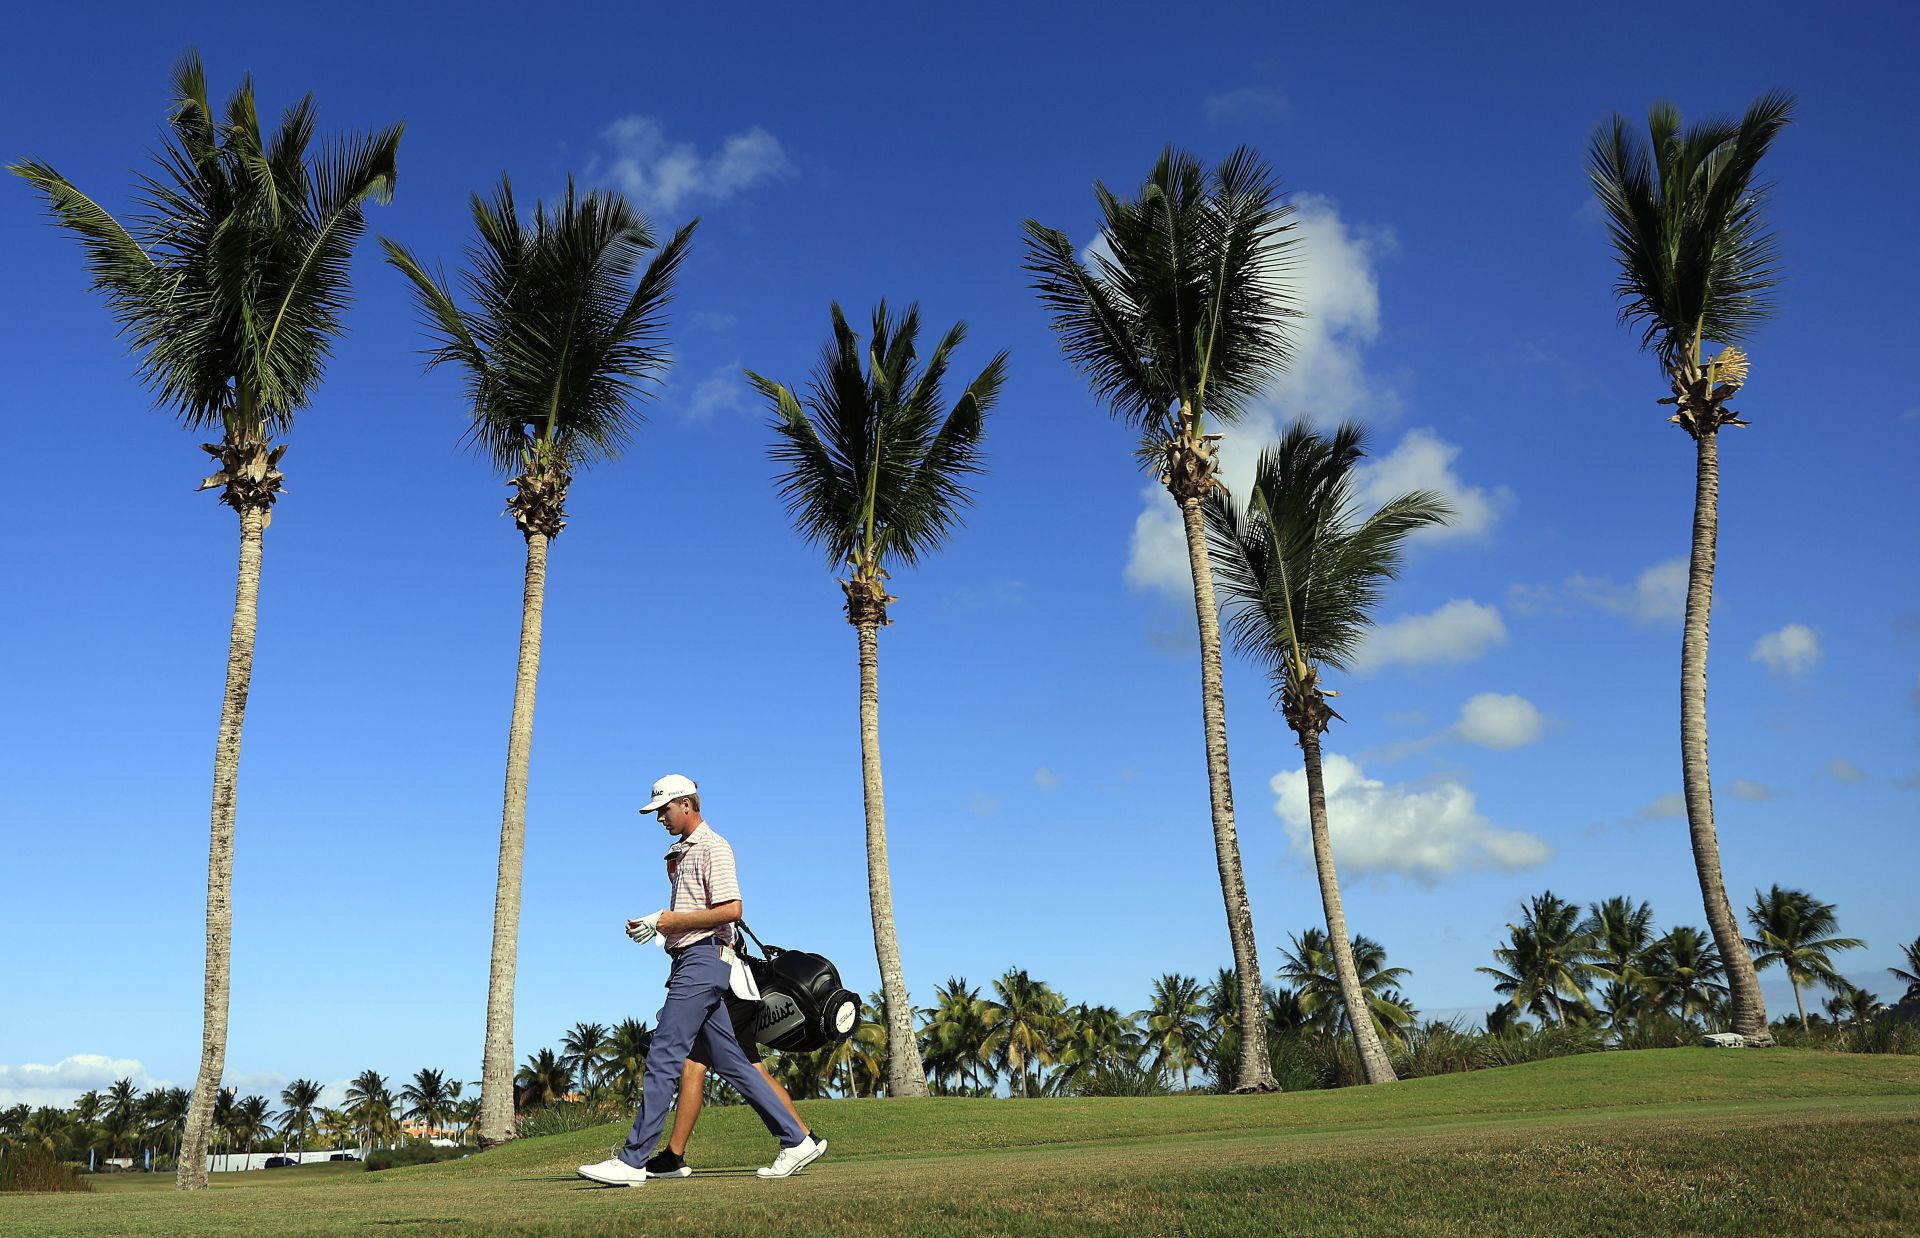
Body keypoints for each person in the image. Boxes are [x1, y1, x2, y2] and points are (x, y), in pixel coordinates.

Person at [577, 774, 828, 1187]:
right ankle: (797, 1139)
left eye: (664, 809)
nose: (659, 817)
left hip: (703, 961)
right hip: (691, 958)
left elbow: (731, 909)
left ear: (687, 805)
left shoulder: (714, 847)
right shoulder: (681, 852)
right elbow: (692, 913)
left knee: (663, 1054)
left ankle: (632, 1160)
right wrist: (658, 926)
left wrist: (672, 920)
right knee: (733, 1063)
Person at [639, 846, 816, 1180]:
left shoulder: (697, 892)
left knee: (695, 1065)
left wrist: (671, 923)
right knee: (746, 1067)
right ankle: (801, 1137)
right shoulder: (691, 897)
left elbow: (726, 917)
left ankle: (673, 1156)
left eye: (673, 863)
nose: (672, 870)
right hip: (735, 991)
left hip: (726, 988)